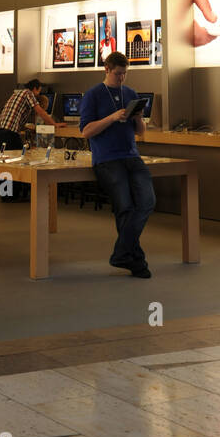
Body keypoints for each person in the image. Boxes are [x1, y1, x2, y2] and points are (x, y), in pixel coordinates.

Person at [80, 50, 154, 278]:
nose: (122, 78)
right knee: (125, 207)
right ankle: (136, 260)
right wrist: (112, 118)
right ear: (107, 69)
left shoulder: (130, 93)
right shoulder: (93, 95)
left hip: (131, 155)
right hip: (107, 159)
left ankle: (122, 254)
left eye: (125, 74)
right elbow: (86, 131)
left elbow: (141, 133)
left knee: (148, 201)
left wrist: (138, 117)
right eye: (118, 74)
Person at [0, 78, 61, 152]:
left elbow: (16, 117)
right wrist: (54, 124)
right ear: (34, 88)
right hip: (9, 131)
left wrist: (27, 128)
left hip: (1, 129)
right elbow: (40, 111)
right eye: (39, 91)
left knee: (10, 156)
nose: (38, 94)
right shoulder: (28, 93)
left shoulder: (17, 94)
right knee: (19, 155)